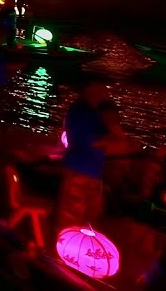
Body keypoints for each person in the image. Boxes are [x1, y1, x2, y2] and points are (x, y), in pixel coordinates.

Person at [55, 77, 116, 233]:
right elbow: (90, 141)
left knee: (91, 217)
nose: (106, 91)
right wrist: (117, 140)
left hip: (93, 172)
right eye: (101, 87)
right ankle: (61, 250)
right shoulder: (80, 111)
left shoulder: (96, 113)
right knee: (71, 216)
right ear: (89, 88)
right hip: (78, 170)